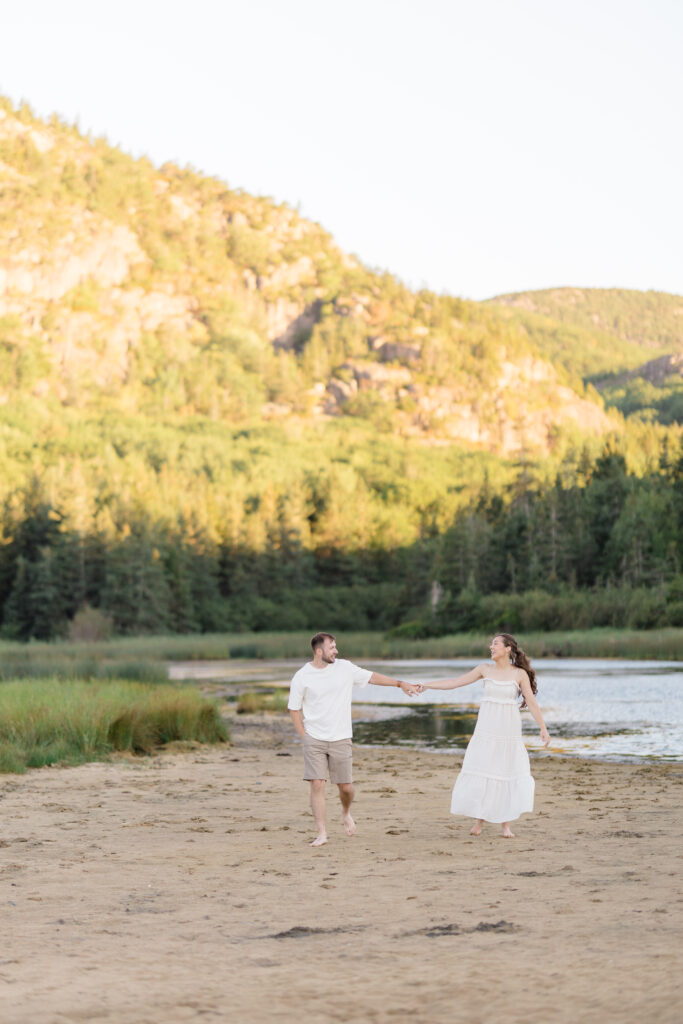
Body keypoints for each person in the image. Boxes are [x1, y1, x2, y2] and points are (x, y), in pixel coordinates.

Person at [288, 632, 421, 847]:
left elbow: (372, 677)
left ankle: (346, 812)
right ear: (319, 651)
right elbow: (294, 709)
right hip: (314, 738)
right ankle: (321, 833)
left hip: (341, 737)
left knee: (346, 788)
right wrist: (304, 737)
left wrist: (400, 684)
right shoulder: (302, 676)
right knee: (317, 784)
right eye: (332, 647)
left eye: (335, 646)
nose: (336, 651)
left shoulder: (345, 668)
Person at [422, 633, 550, 838]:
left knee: (505, 771)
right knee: (484, 769)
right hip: (486, 730)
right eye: (491, 644)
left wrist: (542, 728)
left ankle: (505, 824)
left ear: (508, 649)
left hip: (508, 732)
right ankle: (479, 821)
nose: (491, 647)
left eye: (495, 644)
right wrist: (427, 685)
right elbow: (455, 682)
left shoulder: (519, 674)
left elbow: (532, 703)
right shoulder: (484, 669)